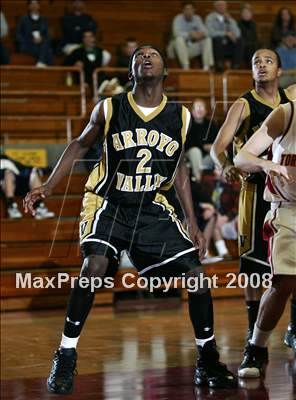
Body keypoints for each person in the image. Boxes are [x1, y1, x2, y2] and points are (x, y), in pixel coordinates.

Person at [24, 45, 237, 394]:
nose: (146, 58)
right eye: (139, 56)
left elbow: (180, 167)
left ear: (166, 69)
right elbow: (79, 145)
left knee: (197, 276)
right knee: (93, 267)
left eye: (152, 54)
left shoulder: (180, 116)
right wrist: (48, 185)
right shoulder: (110, 107)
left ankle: (208, 358)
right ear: (130, 71)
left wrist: (192, 220)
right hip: (108, 202)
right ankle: (65, 354)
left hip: (151, 206)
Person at [210, 49, 296, 357]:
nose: (261, 66)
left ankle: (292, 328)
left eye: (267, 61)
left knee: (290, 266)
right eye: (256, 62)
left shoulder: (290, 100)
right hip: (256, 187)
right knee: (254, 263)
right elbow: (218, 148)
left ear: (280, 69)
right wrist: (227, 165)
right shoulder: (244, 104)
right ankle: (252, 326)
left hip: (289, 189)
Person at [234, 100, 296, 378]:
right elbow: (241, 157)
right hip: (288, 210)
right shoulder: (287, 113)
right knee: (283, 282)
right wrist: (267, 164)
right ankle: (256, 348)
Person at [0, 154, 54, 219]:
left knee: (33, 173)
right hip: (4, 187)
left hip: (17, 185)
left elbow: (24, 169)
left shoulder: (4, 160)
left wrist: (42, 170)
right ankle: (11, 206)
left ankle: (39, 207)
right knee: (8, 174)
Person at [167, 2, 214, 70]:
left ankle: (206, 67)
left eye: (191, 9)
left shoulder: (197, 18)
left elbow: (207, 32)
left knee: (207, 39)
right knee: (179, 39)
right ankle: (186, 67)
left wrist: (201, 34)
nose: (189, 11)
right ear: (183, 10)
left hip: (191, 48)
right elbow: (176, 33)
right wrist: (190, 34)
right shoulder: (178, 18)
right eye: (186, 9)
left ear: (194, 10)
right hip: (177, 49)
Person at [185, 98, 218, 182]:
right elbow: (187, 144)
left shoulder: (211, 124)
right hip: (190, 154)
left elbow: (216, 141)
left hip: (206, 157)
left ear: (206, 111)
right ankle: (200, 180)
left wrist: (213, 147)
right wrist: (203, 146)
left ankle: (222, 179)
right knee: (195, 151)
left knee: (219, 152)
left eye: (202, 107)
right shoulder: (187, 124)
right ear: (192, 111)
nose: (199, 109)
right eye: (197, 107)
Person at [206, 0, 243, 71]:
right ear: (215, 6)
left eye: (223, 5)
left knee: (240, 40)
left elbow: (238, 33)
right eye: (219, 5)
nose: (221, 7)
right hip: (216, 46)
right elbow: (209, 33)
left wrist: (229, 21)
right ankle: (219, 65)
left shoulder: (229, 18)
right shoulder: (210, 18)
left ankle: (235, 66)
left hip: (228, 45)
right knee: (217, 39)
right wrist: (225, 33)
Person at [16, 0, 53, 67]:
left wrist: (41, 39)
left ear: (39, 6)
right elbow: (18, 35)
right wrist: (30, 41)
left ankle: (40, 63)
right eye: (32, 4)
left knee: (46, 48)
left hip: (41, 44)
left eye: (36, 4)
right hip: (28, 45)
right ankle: (41, 62)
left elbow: (47, 35)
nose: (34, 5)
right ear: (29, 6)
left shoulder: (43, 19)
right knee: (48, 52)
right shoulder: (23, 19)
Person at [271, 8, 296, 87]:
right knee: (279, 83)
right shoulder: (278, 51)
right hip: (284, 78)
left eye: (293, 39)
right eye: (288, 38)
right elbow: (281, 71)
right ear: (284, 39)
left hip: (293, 77)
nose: (291, 40)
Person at [238, 3, 260, 68]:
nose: (246, 14)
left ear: (251, 14)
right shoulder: (238, 24)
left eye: (248, 12)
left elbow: (256, 38)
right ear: (241, 14)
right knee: (248, 48)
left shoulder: (254, 24)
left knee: (255, 47)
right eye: (244, 12)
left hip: (253, 45)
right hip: (243, 45)